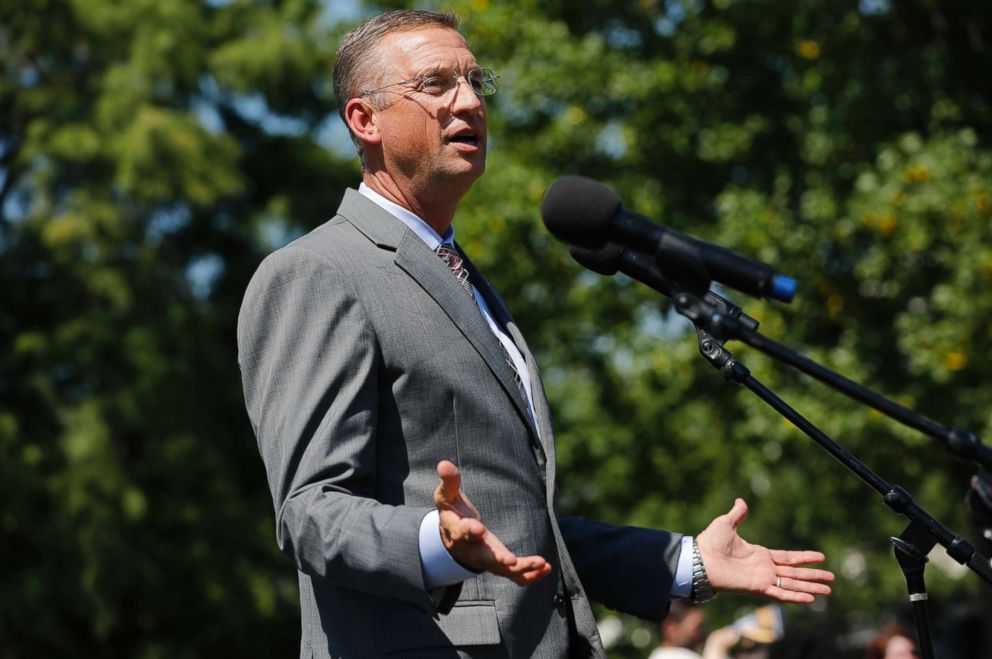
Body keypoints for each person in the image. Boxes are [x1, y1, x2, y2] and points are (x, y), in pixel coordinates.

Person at [237, 10, 835, 658]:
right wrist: (434, 543)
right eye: (436, 85)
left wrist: (681, 559)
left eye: (474, 81)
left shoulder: (466, 280)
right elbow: (311, 511)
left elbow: (519, 522)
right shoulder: (318, 272)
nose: (469, 101)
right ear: (365, 119)